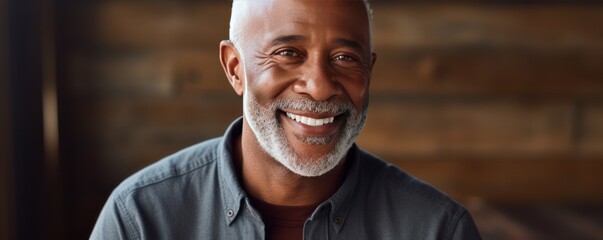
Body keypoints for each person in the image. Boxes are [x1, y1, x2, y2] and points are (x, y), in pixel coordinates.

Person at [90, 0, 481, 239]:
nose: (320, 87)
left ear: (369, 71)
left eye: (345, 58)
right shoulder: (140, 219)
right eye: (289, 53)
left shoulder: (437, 230)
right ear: (235, 68)